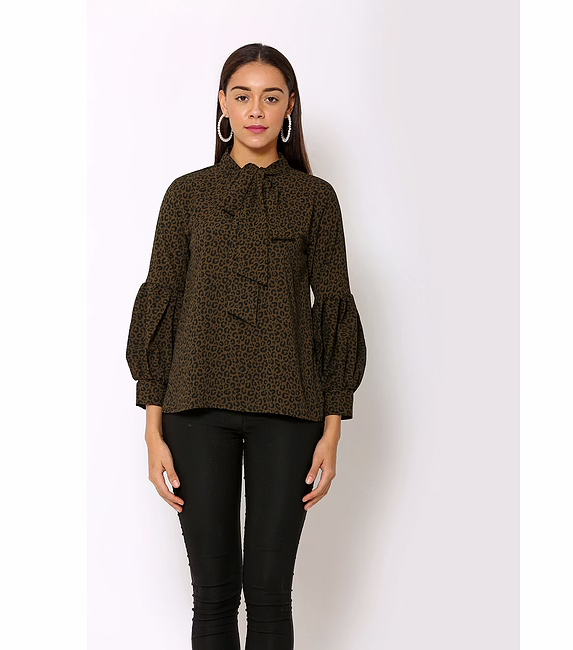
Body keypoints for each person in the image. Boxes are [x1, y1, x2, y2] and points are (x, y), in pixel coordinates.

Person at [125, 43, 367, 650]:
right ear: (223, 106)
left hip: (289, 411)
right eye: (242, 96)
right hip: (194, 409)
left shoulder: (316, 199)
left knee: (269, 596)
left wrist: (332, 431)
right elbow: (162, 303)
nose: (256, 109)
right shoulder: (186, 196)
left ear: (289, 108)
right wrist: (153, 430)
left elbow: (333, 310)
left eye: (270, 97)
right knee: (212, 597)